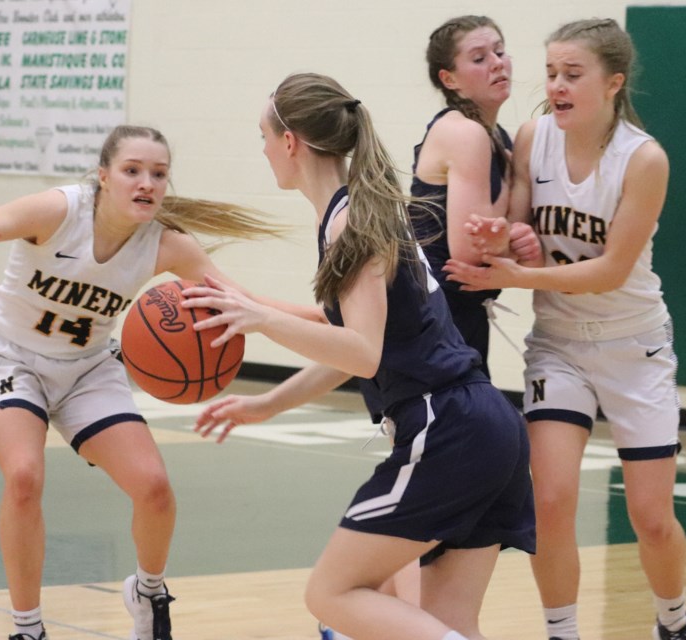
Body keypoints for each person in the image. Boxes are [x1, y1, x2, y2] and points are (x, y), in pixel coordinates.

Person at [0, 124, 320, 640]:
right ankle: (28, 628)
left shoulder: (168, 244)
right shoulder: (57, 210)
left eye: (158, 174)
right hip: (10, 357)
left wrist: (325, 317)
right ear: (103, 176)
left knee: (153, 488)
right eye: (133, 171)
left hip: (88, 367)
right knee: (23, 476)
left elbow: (243, 303)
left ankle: (149, 592)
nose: (146, 183)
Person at [184, 72, 535, 640]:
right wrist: (267, 404)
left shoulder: (352, 220)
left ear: (290, 141)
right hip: (487, 425)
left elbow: (363, 353)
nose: (265, 149)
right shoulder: (364, 210)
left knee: (332, 593)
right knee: (446, 623)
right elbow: (355, 347)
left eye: (264, 136)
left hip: (445, 426)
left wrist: (261, 318)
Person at [443, 18, 686, 640]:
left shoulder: (644, 160)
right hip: (558, 347)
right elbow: (519, 226)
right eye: (552, 72)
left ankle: (674, 621)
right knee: (552, 503)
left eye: (572, 75)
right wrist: (502, 237)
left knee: (652, 517)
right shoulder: (534, 136)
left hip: (633, 346)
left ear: (613, 83)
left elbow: (611, 270)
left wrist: (514, 277)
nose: (555, 85)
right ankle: (562, 633)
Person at [410, 15, 542, 380]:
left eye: (500, 51)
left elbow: (512, 236)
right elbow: (470, 251)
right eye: (480, 58)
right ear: (448, 79)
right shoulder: (465, 133)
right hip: (434, 311)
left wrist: (512, 242)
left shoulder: (497, 135)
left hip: (462, 309)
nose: (498, 63)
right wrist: (509, 240)